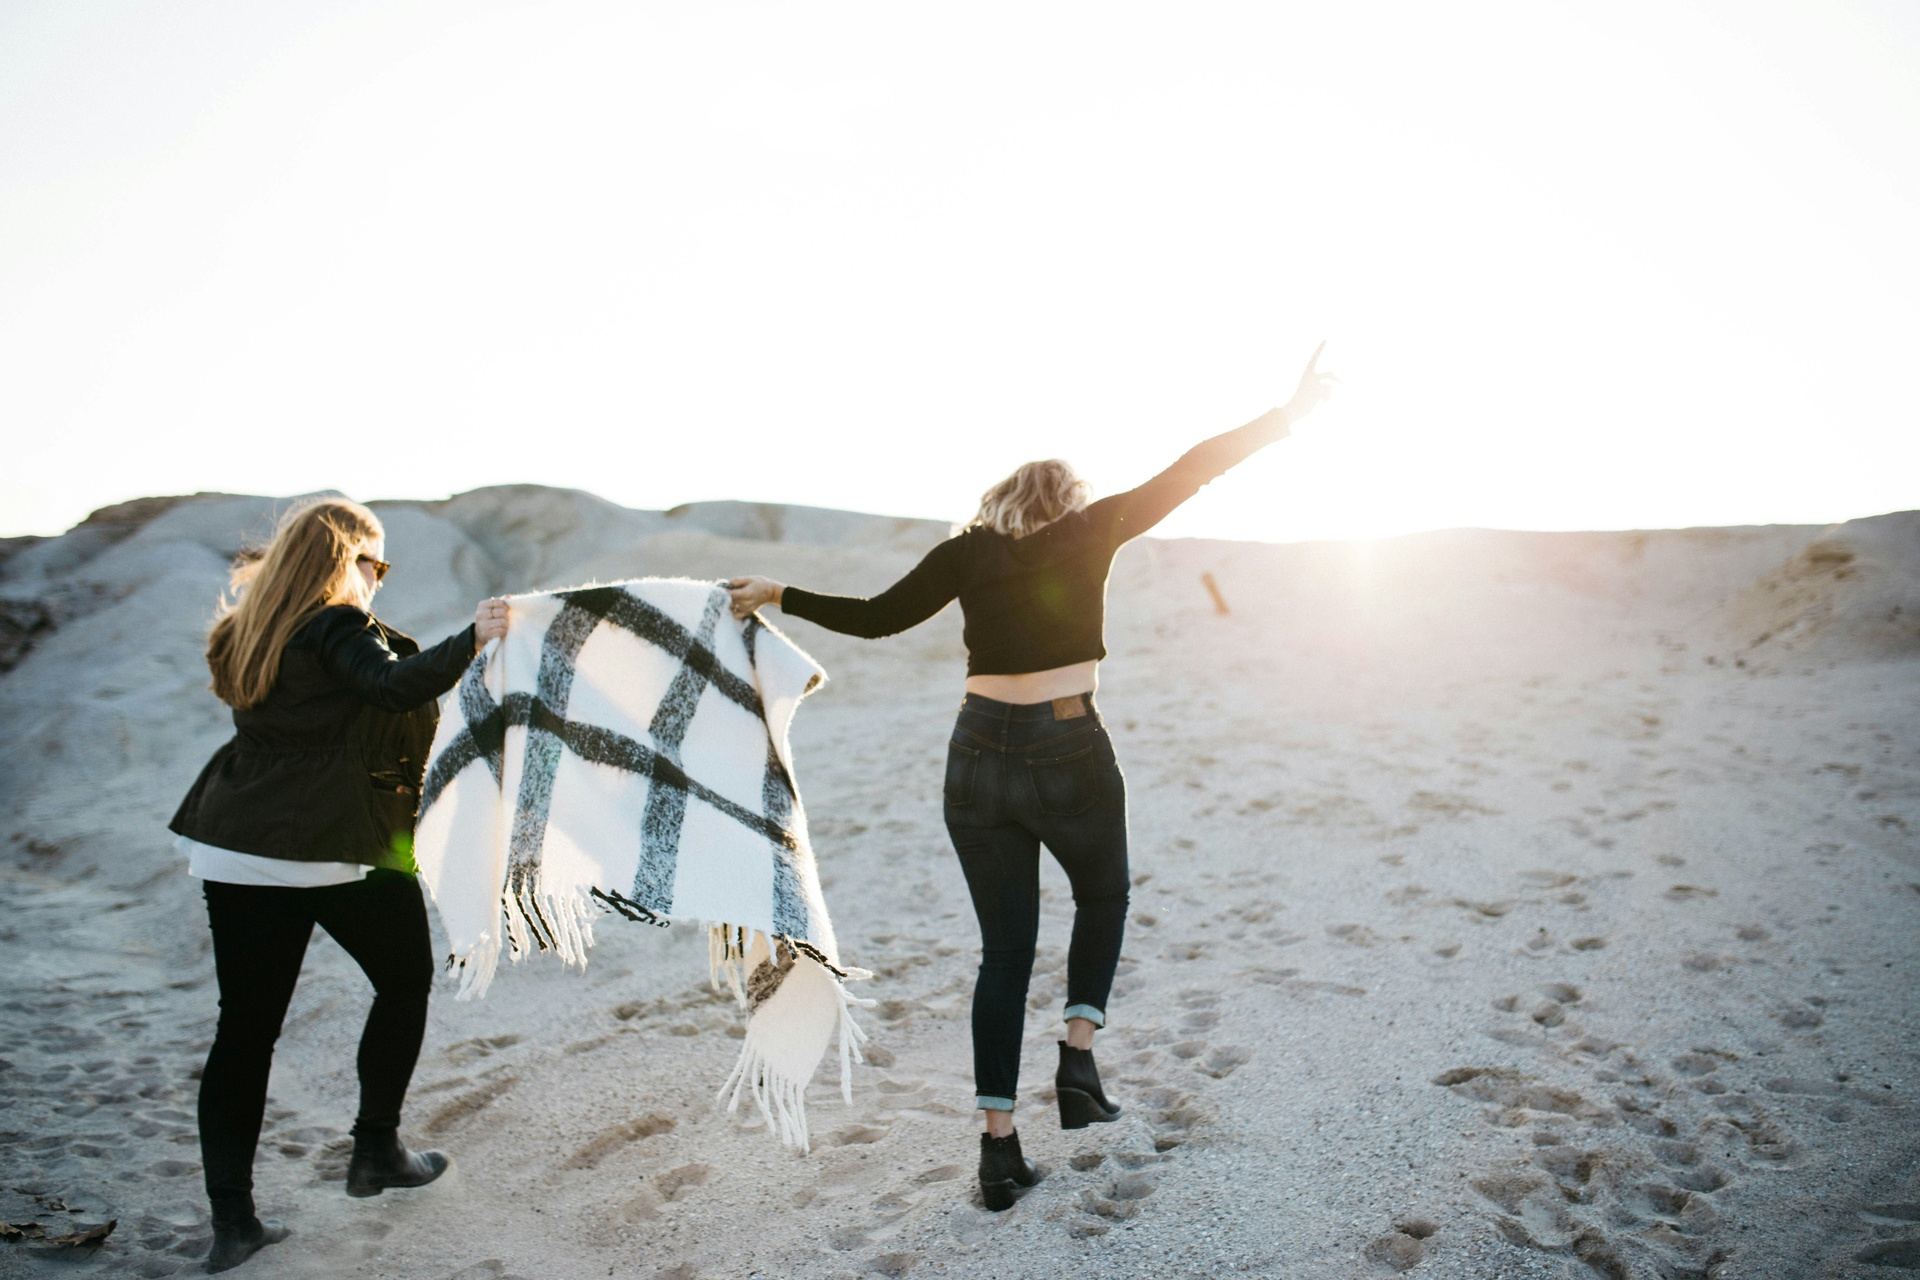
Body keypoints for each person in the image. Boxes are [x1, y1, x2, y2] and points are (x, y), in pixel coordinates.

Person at [728, 344, 1338, 1210]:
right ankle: (1078, 1055)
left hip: (975, 753)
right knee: (1105, 895)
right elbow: (1195, 468)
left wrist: (781, 592)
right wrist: (1287, 414)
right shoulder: (1095, 529)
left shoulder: (967, 552)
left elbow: (875, 620)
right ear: (1069, 503)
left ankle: (998, 1152)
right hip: (1067, 745)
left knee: (1004, 955)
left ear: (1002, 503)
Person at [168, 497, 510, 1273]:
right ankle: (377, 1150)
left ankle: (233, 1224)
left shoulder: (245, 628)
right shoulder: (335, 625)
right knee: (404, 981)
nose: (377, 581)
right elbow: (388, 687)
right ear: (340, 559)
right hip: (329, 845)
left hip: (234, 845)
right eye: (373, 563)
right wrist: (475, 637)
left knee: (244, 1032)